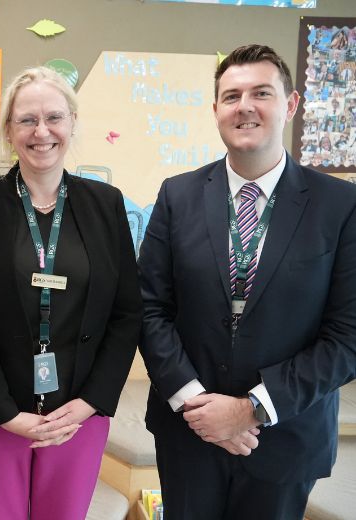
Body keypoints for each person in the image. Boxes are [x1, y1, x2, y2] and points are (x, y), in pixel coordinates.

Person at [138, 44, 356, 520]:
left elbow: (348, 336)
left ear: (291, 103)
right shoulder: (178, 196)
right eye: (232, 95)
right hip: (188, 432)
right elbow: (149, 307)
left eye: (261, 92)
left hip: (285, 434)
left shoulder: (340, 206)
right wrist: (197, 404)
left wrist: (253, 408)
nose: (245, 107)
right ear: (215, 108)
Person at [0, 66, 142, 519]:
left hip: (79, 411)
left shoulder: (106, 204)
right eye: (27, 120)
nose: (41, 132)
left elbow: (127, 312)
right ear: (9, 131)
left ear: (72, 122)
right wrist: (5, 413)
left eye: (54, 117)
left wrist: (91, 402)